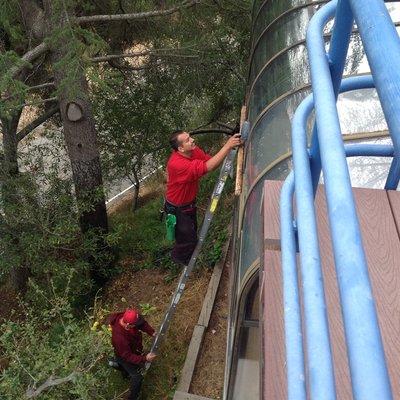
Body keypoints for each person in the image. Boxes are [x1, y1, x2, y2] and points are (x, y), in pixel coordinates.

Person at [165, 130, 242, 265]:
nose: (192, 140)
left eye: (190, 137)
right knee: (188, 239)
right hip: (177, 208)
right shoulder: (177, 164)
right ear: (180, 148)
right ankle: (180, 258)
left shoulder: (192, 151)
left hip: (188, 204)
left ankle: (187, 253)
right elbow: (208, 167)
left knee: (191, 232)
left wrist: (228, 146)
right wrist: (227, 146)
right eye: (188, 140)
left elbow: (209, 161)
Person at [110, 309, 157, 400]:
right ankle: (132, 397)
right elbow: (127, 356)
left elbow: (142, 324)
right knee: (137, 378)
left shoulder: (128, 316)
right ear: (128, 325)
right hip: (124, 356)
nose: (137, 326)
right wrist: (145, 359)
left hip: (133, 350)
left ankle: (122, 370)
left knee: (128, 370)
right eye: (135, 325)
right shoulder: (119, 338)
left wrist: (152, 332)